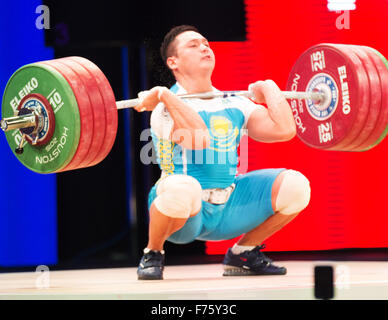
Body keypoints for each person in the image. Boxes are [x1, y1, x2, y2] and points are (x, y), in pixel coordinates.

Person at [134, 25, 311, 280]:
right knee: (184, 186)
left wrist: (270, 89)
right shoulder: (164, 107)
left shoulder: (235, 101)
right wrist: (163, 94)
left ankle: (244, 253)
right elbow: (198, 140)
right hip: (182, 214)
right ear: (173, 62)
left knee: (296, 186)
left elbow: (284, 130)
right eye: (193, 45)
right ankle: (153, 252)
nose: (204, 47)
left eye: (206, 43)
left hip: (229, 208)